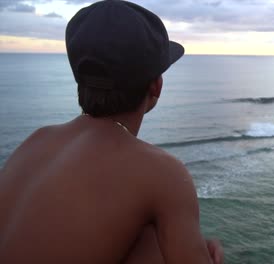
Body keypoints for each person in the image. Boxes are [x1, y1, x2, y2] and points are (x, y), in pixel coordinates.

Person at [0, 0, 224, 263]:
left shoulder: (36, 141)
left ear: (79, 78)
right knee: (156, 243)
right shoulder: (162, 173)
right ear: (156, 87)